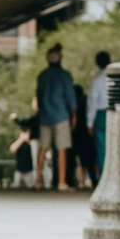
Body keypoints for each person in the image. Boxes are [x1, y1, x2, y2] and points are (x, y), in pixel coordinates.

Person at [35, 44, 77, 192]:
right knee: (61, 149)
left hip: (45, 115)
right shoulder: (64, 76)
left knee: (43, 147)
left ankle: (38, 180)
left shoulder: (42, 76)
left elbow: (38, 97)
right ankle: (61, 182)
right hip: (61, 115)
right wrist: (73, 113)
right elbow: (70, 96)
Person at [88, 51, 110, 177]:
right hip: (115, 113)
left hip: (101, 114)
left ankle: (104, 176)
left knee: (102, 148)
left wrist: (89, 122)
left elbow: (92, 102)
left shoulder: (97, 80)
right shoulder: (115, 77)